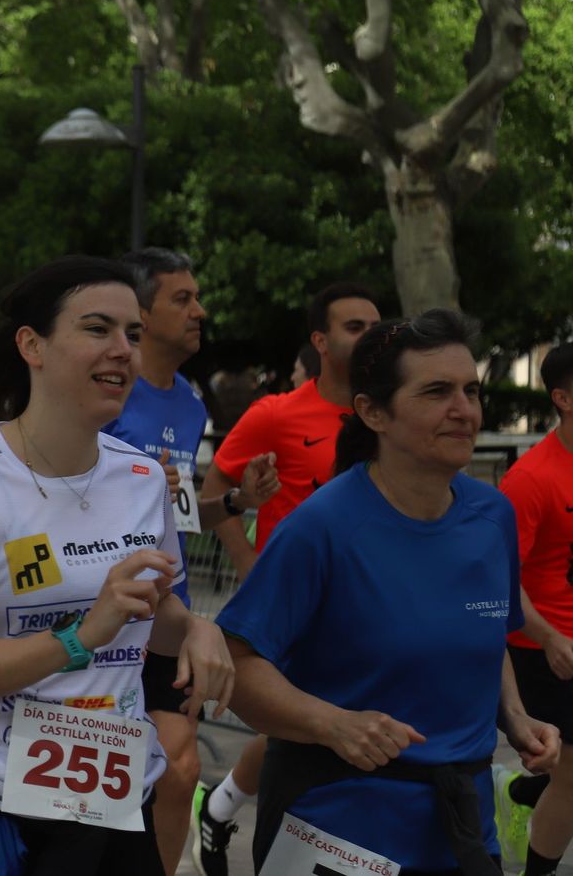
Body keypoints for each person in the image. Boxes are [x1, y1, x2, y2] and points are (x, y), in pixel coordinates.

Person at [0, 256, 232, 875]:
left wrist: (196, 629)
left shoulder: (143, 478)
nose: (122, 349)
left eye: (132, 333)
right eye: (97, 329)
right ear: (32, 345)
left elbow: (155, 611)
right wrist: (79, 637)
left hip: (112, 799)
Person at [217, 310, 560, 873]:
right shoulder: (322, 527)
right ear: (373, 412)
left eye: (471, 391)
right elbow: (234, 663)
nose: (465, 409)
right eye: (437, 392)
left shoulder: (492, 514)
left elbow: (484, 630)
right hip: (340, 823)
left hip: (462, 823)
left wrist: (516, 717)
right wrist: (333, 723)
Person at [191, 281, 381, 874]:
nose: (370, 336)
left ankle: (220, 807)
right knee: (303, 728)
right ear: (320, 341)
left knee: (336, 727)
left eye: (376, 325)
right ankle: (254, 825)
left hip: (375, 603)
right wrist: (251, 566)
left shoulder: (389, 412)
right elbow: (216, 489)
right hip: (298, 609)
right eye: (354, 326)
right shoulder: (276, 413)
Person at [104, 249, 279, 875]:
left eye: (197, 297)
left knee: (180, 767)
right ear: (141, 313)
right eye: (182, 299)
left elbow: (173, 513)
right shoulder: (105, 387)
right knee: (108, 772)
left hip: (166, 616)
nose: (199, 311)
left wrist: (233, 503)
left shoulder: (188, 402)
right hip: (96, 614)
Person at [493, 342, 573, 873]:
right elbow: (501, 578)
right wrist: (548, 638)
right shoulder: (530, 479)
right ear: (563, 398)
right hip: (542, 651)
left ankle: (520, 793)